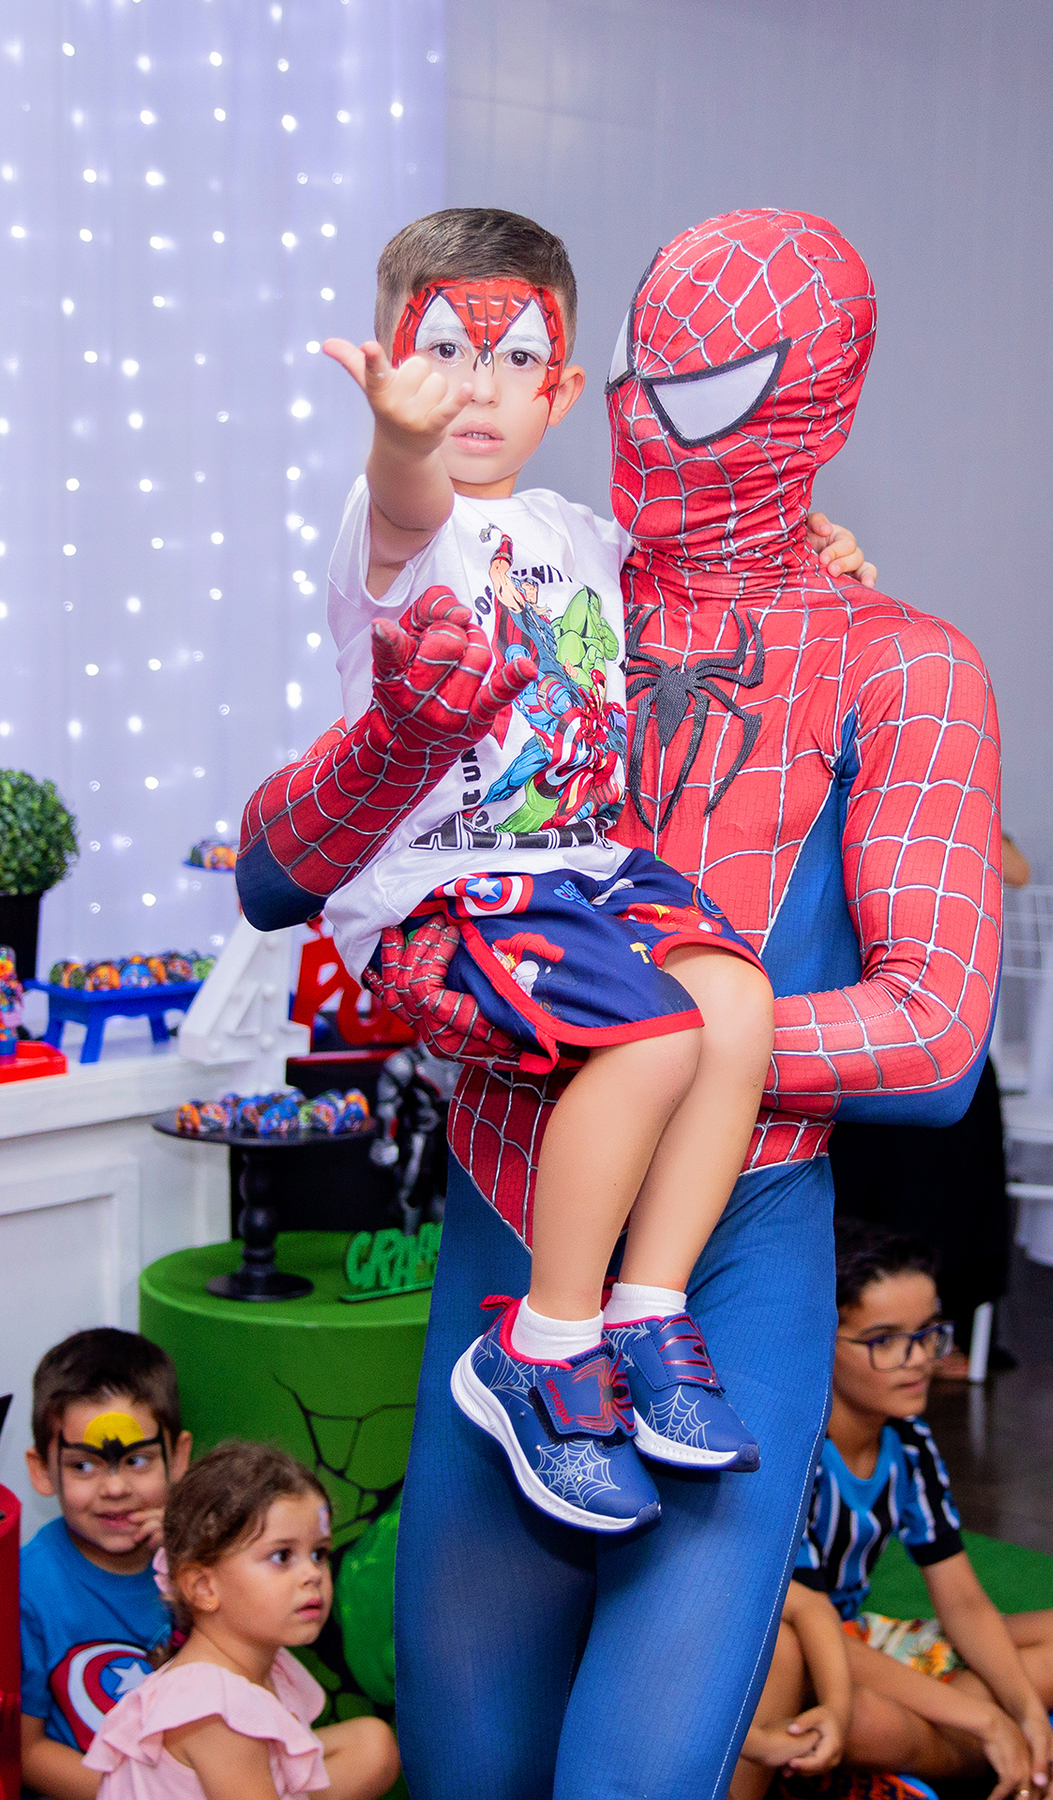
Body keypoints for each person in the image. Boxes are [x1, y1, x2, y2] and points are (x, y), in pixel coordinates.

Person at [238, 208, 1002, 1800]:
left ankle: (612, 1313)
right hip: (504, 1242)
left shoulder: (899, 659)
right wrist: (399, 761)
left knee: (634, 1775)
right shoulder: (549, 559)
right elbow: (272, 864)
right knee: (469, 1761)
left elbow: (931, 1040)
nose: (654, 420)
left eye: (707, 392)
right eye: (645, 378)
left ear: (809, 404)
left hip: (736, 1261)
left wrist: (609, 1036)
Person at [308, 209, 791, 1528]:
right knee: (648, 1042)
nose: (476, 385)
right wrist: (398, 441)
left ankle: (647, 1312)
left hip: (583, 866)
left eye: (514, 357)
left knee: (733, 1012)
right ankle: (541, 1345)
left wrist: (833, 553)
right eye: (444, 350)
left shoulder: (582, 535)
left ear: (562, 387)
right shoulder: (390, 527)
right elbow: (408, 507)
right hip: (447, 885)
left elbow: (713, 570)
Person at [730, 1220, 1053, 1800]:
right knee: (862, 1717)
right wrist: (984, 1718)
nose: (918, 1358)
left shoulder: (910, 1442)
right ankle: (1026, 1745)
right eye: (885, 1339)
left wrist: (1020, 1710)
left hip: (865, 1639)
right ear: (817, 1341)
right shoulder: (793, 1457)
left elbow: (963, 1600)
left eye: (927, 1333)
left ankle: (969, 1753)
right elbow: (810, 1627)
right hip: (803, 1660)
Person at [82, 1441, 399, 1800]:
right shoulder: (216, 1712)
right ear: (203, 1587)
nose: (313, 1573)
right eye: (282, 1556)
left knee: (374, 1743)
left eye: (319, 1553)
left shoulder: (255, 1665)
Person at [829, 833, 1032, 1378]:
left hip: (925, 1012)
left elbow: (1017, 869)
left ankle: (934, 1321)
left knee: (958, 1089)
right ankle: (854, 1321)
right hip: (851, 1011)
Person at [20, 1329, 193, 1800]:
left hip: (209, 1771)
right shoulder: (27, 1587)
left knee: (372, 1747)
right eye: (84, 1466)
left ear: (177, 1457)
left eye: (136, 1460)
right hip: (106, 1790)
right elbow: (27, 1754)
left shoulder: (204, 1560)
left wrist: (186, 1568)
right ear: (42, 1470)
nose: (114, 1488)